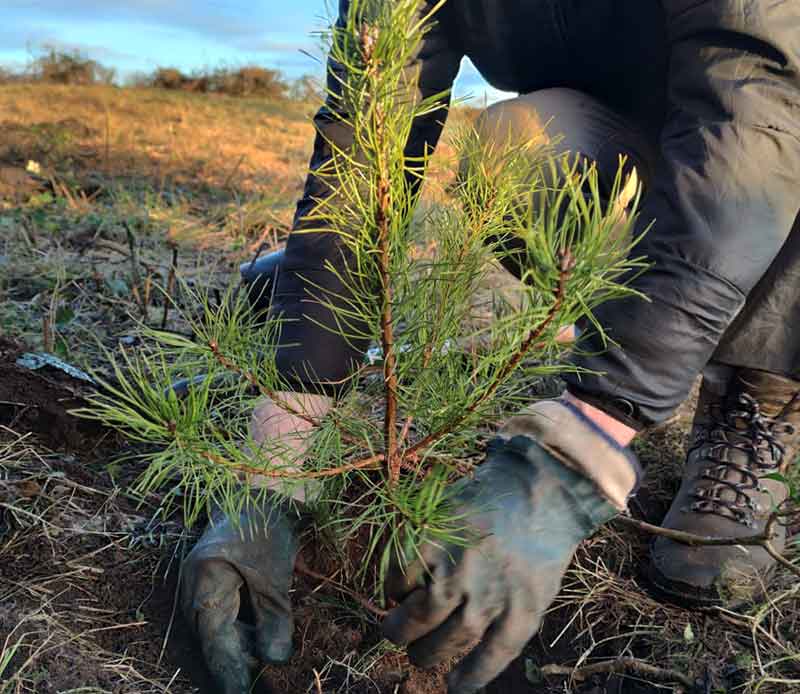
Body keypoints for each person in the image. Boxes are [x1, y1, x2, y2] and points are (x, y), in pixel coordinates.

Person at [180, 2, 800, 693]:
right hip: (644, 134)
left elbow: (753, 116)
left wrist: (581, 445)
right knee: (520, 143)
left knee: (770, 152)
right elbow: (365, 152)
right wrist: (277, 456)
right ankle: (633, 332)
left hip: (771, 120)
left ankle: (758, 393)